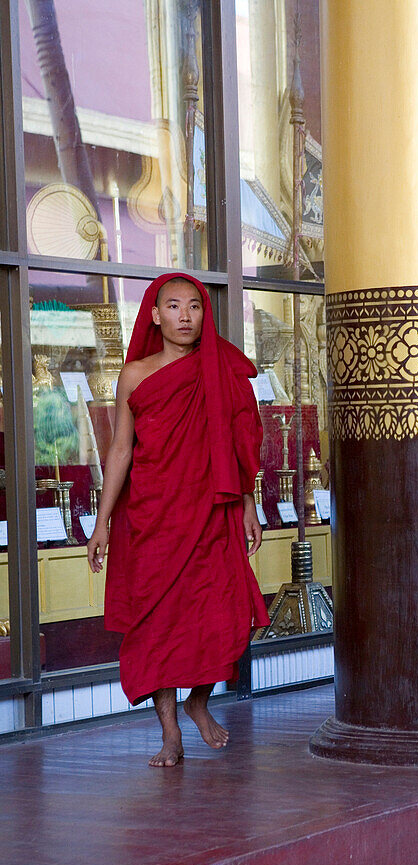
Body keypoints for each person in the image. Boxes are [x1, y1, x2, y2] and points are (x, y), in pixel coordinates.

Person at [87, 273, 269, 767]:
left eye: (194, 306)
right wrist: (102, 521)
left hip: (212, 511)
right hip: (152, 516)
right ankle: (169, 733)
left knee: (225, 613)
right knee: (157, 625)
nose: (185, 315)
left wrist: (248, 504)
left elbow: (239, 442)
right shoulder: (136, 374)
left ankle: (199, 701)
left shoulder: (221, 368)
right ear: (154, 314)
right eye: (173, 306)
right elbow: (121, 449)